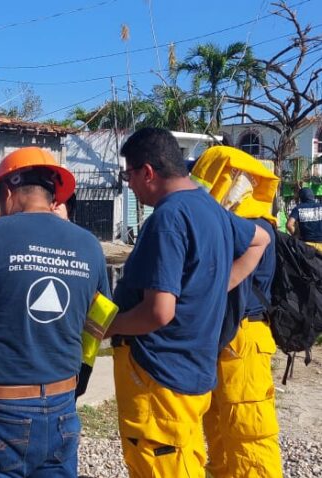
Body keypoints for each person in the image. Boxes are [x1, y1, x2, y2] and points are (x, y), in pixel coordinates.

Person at [0, 146, 111, 477]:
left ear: (7, 192)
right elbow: (99, 323)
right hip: (62, 407)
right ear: (53, 195)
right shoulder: (89, 245)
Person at [106, 128, 270, 478]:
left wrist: (109, 325)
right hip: (191, 370)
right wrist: (214, 288)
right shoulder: (209, 206)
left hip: (158, 375)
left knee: (161, 464)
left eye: (128, 175)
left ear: (147, 172)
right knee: (186, 460)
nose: (129, 185)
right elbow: (260, 240)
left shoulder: (168, 218)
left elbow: (158, 312)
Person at [191, 146, 282, 477]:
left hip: (244, 339)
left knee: (248, 433)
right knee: (217, 428)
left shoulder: (254, 227)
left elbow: (223, 285)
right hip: (226, 338)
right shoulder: (233, 222)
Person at [286, 187, 322, 252]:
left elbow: (289, 225)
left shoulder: (298, 209)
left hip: (306, 245)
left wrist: (297, 235)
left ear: (301, 197)